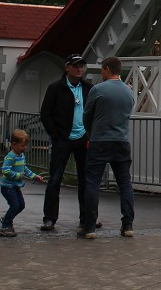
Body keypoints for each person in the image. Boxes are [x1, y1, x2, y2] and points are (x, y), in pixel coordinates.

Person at [79, 56, 135, 239]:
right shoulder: (129, 92)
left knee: (93, 182)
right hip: (122, 140)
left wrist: (90, 132)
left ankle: (89, 227)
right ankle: (127, 224)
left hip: (100, 140)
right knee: (125, 183)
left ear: (108, 69)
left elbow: (86, 115)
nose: (101, 73)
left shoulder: (97, 90)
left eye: (103, 70)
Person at [39, 54, 93, 232]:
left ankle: (87, 217)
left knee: (85, 179)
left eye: (82, 66)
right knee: (55, 179)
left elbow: (94, 111)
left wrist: (90, 133)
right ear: (67, 67)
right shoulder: (55, 88)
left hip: (82, 138)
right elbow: (45, 113)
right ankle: (49, 218)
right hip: (63, 139)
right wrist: (55, 134)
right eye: (76, 66)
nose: (79, 69)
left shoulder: (88, 88)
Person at [0, 129, 45, 237]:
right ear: (13, 144)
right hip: (7, 186)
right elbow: (5, 170)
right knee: (15, 205)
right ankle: (5, 226)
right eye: (22, 145)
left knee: (21, 205)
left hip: (15, 186)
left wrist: (34, 176)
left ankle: (6, 218)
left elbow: (24, 169)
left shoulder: (21, 155)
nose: (24, 148)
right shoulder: (11, 156)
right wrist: (18, 176)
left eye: (25, 146)